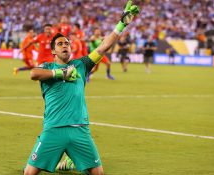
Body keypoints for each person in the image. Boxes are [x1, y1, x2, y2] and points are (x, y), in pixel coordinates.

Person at [23, 1, 139, 175]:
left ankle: (71, 159)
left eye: (67, 43)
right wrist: (60, 74)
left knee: (98, 173)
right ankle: (69, 159)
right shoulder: (46, 67)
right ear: (53, 51)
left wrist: (121, 24)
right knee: (29, 173)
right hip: (53, 129)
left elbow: (103, 46)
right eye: (60, 44)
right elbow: (33, 74)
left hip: (80, 130)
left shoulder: (82, 65)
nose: (64, 46)